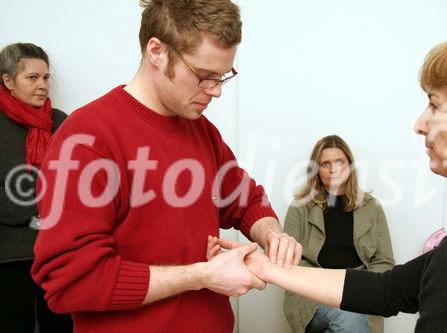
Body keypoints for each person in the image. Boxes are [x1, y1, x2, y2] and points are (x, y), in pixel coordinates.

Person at [31, 1, 302, 332]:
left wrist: (272, 233)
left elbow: (245, 199)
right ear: (156, 52)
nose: (215, 91)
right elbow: (71, 281)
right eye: (204, 76)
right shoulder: (87, 139)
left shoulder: (202, 131)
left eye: (222, 77)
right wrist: (201, 275)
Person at [212, 29, 447, 332]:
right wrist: (266, 266)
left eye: (436, 106)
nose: (419, 125)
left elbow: (386, 272)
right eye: (325, 163)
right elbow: (389, 288)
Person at [283, 135, 394, 333]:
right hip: (313, 297)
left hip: (359, 292)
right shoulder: (300, 208)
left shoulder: (372, 207)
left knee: (348, 316)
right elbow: (287, 262)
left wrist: (359, 289)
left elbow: (385, 262)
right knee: (348, 314)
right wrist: (326, 286)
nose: (333, 169)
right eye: (325, 164)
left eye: (339, 162)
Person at [0, 43, 73, 332]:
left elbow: (80, 186)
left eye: (45, 78)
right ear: (8, 81)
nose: (42, 85)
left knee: (62, 327)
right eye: (32, 78)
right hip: (9, 256)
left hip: (59, 252)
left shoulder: (61, 123)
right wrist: (48, 200)